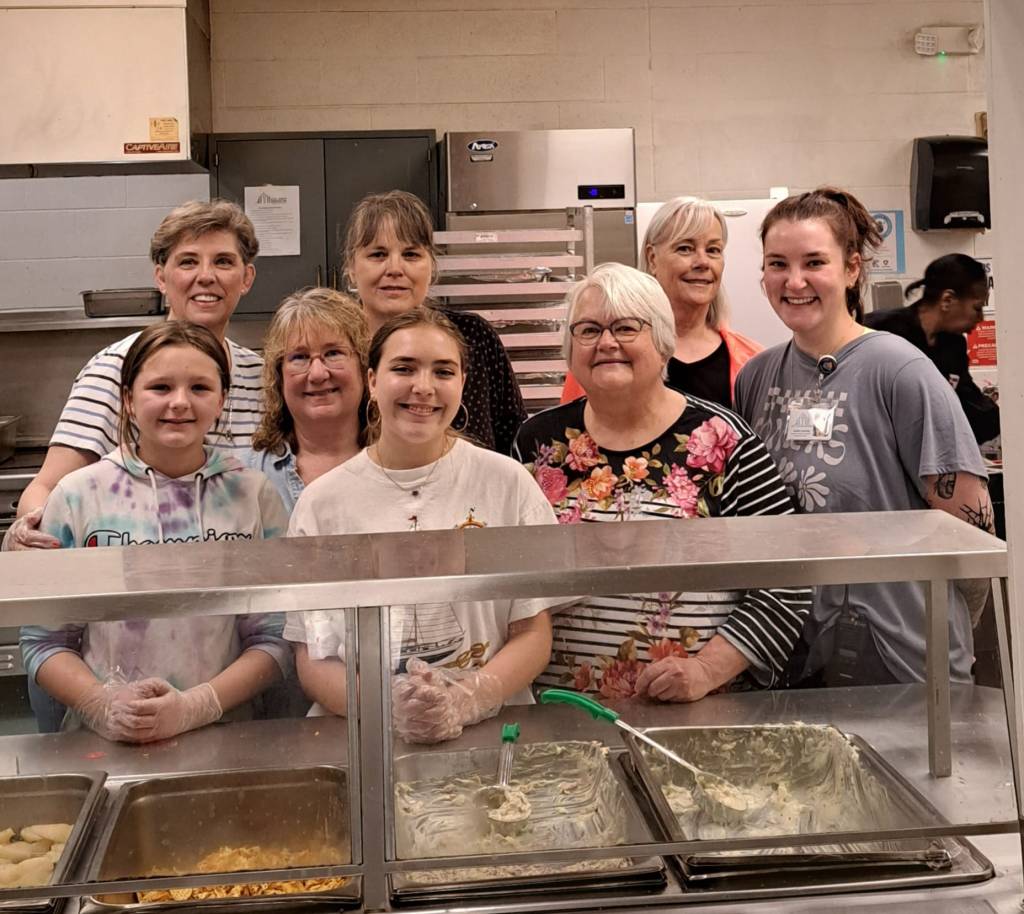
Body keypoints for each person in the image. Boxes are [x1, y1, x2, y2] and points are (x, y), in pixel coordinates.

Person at [514, 262, 810, 701]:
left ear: (663, 341)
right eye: (589, 330)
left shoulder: (723, 440)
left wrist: (706, 670)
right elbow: (510, 580)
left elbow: (788, 580)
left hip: (690, 711)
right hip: (559, 707)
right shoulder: (536, 442)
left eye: (626, 327)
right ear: (570, 348)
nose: (607, 342)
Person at [734, 187, 993, 687]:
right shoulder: (757, 377)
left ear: (852, 268)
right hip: (793, 656)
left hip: (903, 661)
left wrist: (948, 629)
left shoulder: (900, 371)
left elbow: (972, 538)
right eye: (777, 264)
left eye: (814, 262)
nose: (794, 281)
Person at [285, 307, 559, 742]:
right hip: (363, 739)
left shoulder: (508, 483)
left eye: (443, 371)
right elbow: (314, 659)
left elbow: (533, 633)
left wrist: (469, 698)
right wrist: (387, 708)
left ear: (463, 383)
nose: (424, 387)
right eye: (404, 368)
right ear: (372, 381)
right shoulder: (322, 504)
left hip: (493, 734)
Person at [20, 321, 290, 741]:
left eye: (199, 388)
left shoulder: (252, 496)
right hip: (107, 741)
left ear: (221, 400)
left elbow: (275, 637)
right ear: (128, 399)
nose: (179, 402)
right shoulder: (78, 495)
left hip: (228, 734)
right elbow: (44, 641)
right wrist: (103, 704)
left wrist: (198, 705)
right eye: (160, 387)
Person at [7, 199, 264, 550]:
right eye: (188, 261)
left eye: (223, 261)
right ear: (161, 277)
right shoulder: (114, 367)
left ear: (246, 278)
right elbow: (48, 486)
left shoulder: (261, 375)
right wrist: (37, 535)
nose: (206, 276)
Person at [343, 189, 526, 454]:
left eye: (411, 254)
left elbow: (514, 439)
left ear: (432, 266)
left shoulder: (473, 337)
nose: (394, 269)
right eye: (378, 254)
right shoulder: (335, 351)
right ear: (351, 267)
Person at [561, 197, 761, 409]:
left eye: (713, 250)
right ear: (652, 258)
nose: (703, 262)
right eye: (685, 248)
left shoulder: (752, 361)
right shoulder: (605, 352)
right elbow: (571, 424)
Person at [242, 287, 369, 512]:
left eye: (333, 353)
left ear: (364, 366)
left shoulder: (401, 465)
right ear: (278, 376)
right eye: (299, 357)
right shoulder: (246, 476)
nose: (318, 374)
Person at [864, 253, 997, 444]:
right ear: (947, 300)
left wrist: (1008, 419)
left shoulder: (954, 346)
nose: (981, 318)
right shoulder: (879, 330)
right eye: (976, 308)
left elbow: (968, 405)